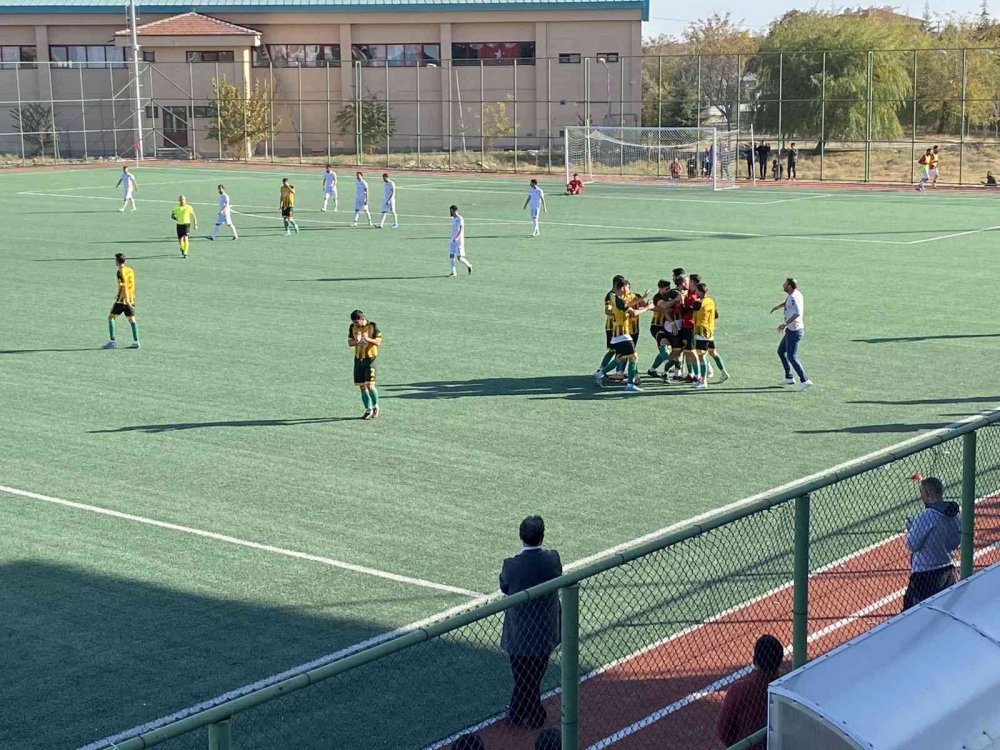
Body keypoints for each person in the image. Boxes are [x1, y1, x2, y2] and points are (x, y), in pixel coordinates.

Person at [499, 515, 562, 730]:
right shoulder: (552, 559)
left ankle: (523, 714)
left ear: (521, 536)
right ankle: (527, 714)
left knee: (524, 677)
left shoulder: (511, 565)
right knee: (533, 676)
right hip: (545, 630)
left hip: (519, 633)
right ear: (542, 536)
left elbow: (504, 586)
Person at [716, 634, 784, 750]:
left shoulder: (739, 689)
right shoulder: (784, 689)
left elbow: (723, 731)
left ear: (754, 659)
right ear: (779, 662)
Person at [903, 476, 961, 610]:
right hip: (948, 569)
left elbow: (911, 544)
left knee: (912, 611)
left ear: (927, 493)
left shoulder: (925, 516)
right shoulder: (955, 513)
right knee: (946, 608)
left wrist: (911, 529)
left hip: (925, 574)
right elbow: (955, 542)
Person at [594, 279, 652, 393]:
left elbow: (626, 305)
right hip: (622, 334)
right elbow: (633, 312)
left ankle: (600, 374)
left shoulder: (613, 296)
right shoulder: (619, 300)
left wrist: (641, 298)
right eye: (626, 287)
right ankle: (630, 384)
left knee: (622, 357)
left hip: (618, 333)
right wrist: (647, 307)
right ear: (622, 288)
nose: (628, 289)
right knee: (633, 356)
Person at [770, 278, 812, 390]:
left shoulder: (793, 297)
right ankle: (789, 377)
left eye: (785, 284)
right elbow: (788, 304)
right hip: (791, 331)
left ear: (789, 286)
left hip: (794, 331)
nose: (783, 285)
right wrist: (778, 307)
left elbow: (797, 313)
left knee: (791, 356)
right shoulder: (795, 294)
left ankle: (805, 380)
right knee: (781, 351)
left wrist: (785, 324)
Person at [692, 282, 729, 388]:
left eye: (696, 291)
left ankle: (703, 381)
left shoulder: (700, 303)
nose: (695, 292)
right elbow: (716, 315)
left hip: (701, 331)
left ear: (700, 291)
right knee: (713, 353)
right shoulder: (711, 301)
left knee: (701, 356)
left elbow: (693, 309)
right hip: (710, 331)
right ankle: (724, 373)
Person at [348, 309, 382, 420]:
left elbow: (378, 342)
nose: (355, 324)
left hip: (370, 359)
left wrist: (368, 339)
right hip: (358, 360)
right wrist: (357, 341)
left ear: (362, 319)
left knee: (370, 386)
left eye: (357, 322)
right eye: (354, 322)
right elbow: (350, 343)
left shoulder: (373, 326)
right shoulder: (352, 327)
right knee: (362, 387)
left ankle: (375, 406)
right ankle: (368, 409)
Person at [103, 253, 140, 349]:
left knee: (111, 318)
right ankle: (136, 342)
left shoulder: (120, 272)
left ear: (117, 261)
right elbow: (131, 285)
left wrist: (125, 300)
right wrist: (130, 300)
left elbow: (123, 286)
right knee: (132, 320)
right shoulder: (130, 270)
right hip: (131, 299)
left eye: (115, 260)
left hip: (122, 300)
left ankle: (112, 341)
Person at [594, 274, 626, 381]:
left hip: (618, 327)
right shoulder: (610, 295)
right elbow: (607, 310)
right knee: (613, 350)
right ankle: (601, 370)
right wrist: (616, 314)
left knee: (619, 350)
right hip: (611, 327)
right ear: (617, 284)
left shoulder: (618, 295)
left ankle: (618, 372)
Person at [646, 279, 673, 378]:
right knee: (664, 344)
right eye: (666, 289)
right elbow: (662, 307)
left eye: (669, 288)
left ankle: (652, 369)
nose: (668, 291)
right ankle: (667, 364)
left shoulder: (669, 296)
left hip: (665, 326)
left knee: (665, 348)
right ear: (660, 289)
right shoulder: (657, 297)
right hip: (656, 326)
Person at [448, 205, 473, 277]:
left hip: (459, 241)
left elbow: (461, 229)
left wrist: (457, 237)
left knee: (459, 258)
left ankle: (469, 265)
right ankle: (454, 272)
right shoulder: (453, 219)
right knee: (451, 255)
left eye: (451, 210)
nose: (450, 212)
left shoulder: (460, 218)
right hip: (452, 240)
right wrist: (453, 238)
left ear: (454, 210)